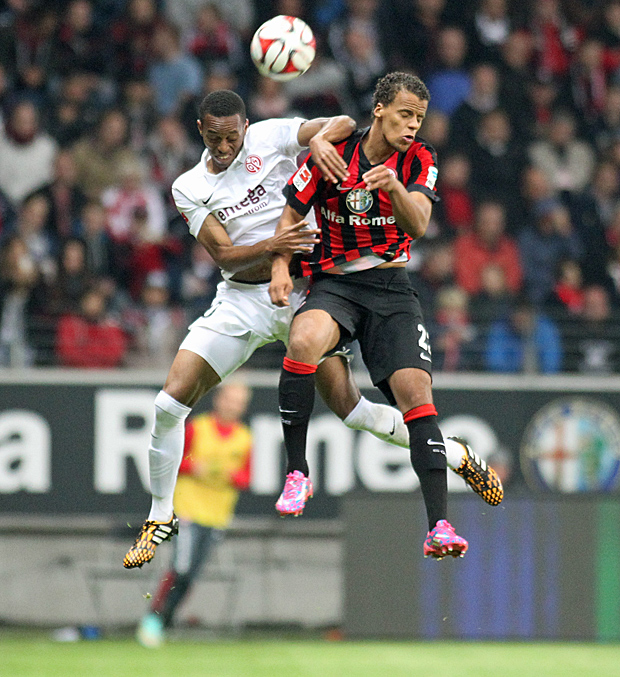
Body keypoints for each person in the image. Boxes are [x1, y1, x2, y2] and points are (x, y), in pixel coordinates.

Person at [122, 89, 427, 570]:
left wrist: (324, 141)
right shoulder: (189, 185)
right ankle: (161, 515)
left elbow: (343, 121)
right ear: (201, 132)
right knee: (168, 403)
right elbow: (222, 254)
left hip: (308, 291)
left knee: (349, 408)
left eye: (233, 136)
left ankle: (449, 451)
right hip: (241, 299)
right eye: (216, 139)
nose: (227, 147)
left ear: (245, 126)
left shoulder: (269, 135)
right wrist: (275, 241)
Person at [269, 72, 503, 560]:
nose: (413, 125)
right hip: (334, 284)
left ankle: (439, 524)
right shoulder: (333, 152)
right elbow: (291, 212)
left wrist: (395, 186)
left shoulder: (420, 160)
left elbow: (417, 223)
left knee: (416, 395)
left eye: (418, 117)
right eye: (404, 114)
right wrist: (278, 266)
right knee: (304, 339)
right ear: (379, 110)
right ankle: (297, 473)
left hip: (392, 289)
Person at [136, 380, 252, 648]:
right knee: (181, 568)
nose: (234, 406)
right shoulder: (198, 428)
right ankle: (154, 619)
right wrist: (193, 466)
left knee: (193, 574)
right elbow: (175, 459)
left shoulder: (244, 437)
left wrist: (232, 476)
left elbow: (246, 476)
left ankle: (163, 621)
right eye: (231, 399)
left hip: (217, 515)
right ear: (219, 399)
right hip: (188, 511)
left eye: (239, 402)